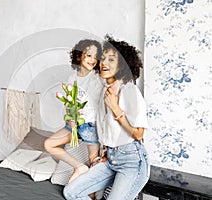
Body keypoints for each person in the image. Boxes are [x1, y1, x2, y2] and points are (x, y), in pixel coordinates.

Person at [63, 35, 150, 200]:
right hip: (110, 159)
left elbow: (138, 134)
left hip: (132, 161)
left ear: (123, 65)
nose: (104, 63)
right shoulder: (104, 90)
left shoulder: (129, 90)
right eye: (102, 58)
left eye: (111, 60)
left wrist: (115, 108)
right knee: (71, 192)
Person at [44, 39, 104, 184]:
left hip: (90, 126)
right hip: (74, 126)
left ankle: (89, 195)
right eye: (89, 55)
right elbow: (69, 104)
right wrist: (69, 119)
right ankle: (79, 167)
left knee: (94, 164)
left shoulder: (98, 78)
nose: (93, 60)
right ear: (79, 55)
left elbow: (103, 105)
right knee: (49, 144)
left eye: (96, 57)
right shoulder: (72, 78)